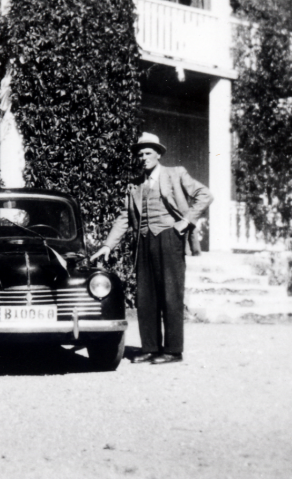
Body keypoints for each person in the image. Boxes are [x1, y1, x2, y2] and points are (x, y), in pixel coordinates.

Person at [90, 132, 212, 365]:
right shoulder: (135, 186)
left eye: (147, 153)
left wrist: (186, 221)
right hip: (143, 242)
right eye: (139, 154)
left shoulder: (175, 174)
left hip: (169, 237)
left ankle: (173, 351)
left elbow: (204, 195)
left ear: (158, 154)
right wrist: (107, 245)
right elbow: (125, 217)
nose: (143, 157)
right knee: (145, 296)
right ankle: (150, 348)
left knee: (170, 294)